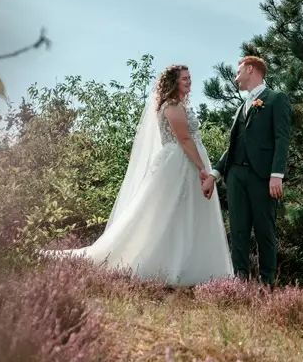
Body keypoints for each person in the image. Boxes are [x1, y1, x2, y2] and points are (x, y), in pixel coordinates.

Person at [41, 64, 232, 285]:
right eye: (184, 78)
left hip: (186, 160)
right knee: (169, 213)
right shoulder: (172, 105)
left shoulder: (178, 105)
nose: (189, 81)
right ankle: (165, 265)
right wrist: (201, 168)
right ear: (173, 82)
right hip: (181, 162)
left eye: (190, 77)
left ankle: (187, 265)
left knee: (186, 213)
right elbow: (184, 139)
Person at [201, 56, 292, 289]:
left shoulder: (276, 98)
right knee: (238, 231)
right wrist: (214, 175)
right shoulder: (242, 106)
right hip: (235, 177)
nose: (235, 76)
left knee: (264, 231)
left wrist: (277, 174)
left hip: (262, 177)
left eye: (238, 71)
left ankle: (266, 284)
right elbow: (233, 146)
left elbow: (282, 139)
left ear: (250, 70)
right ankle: (240, 284)